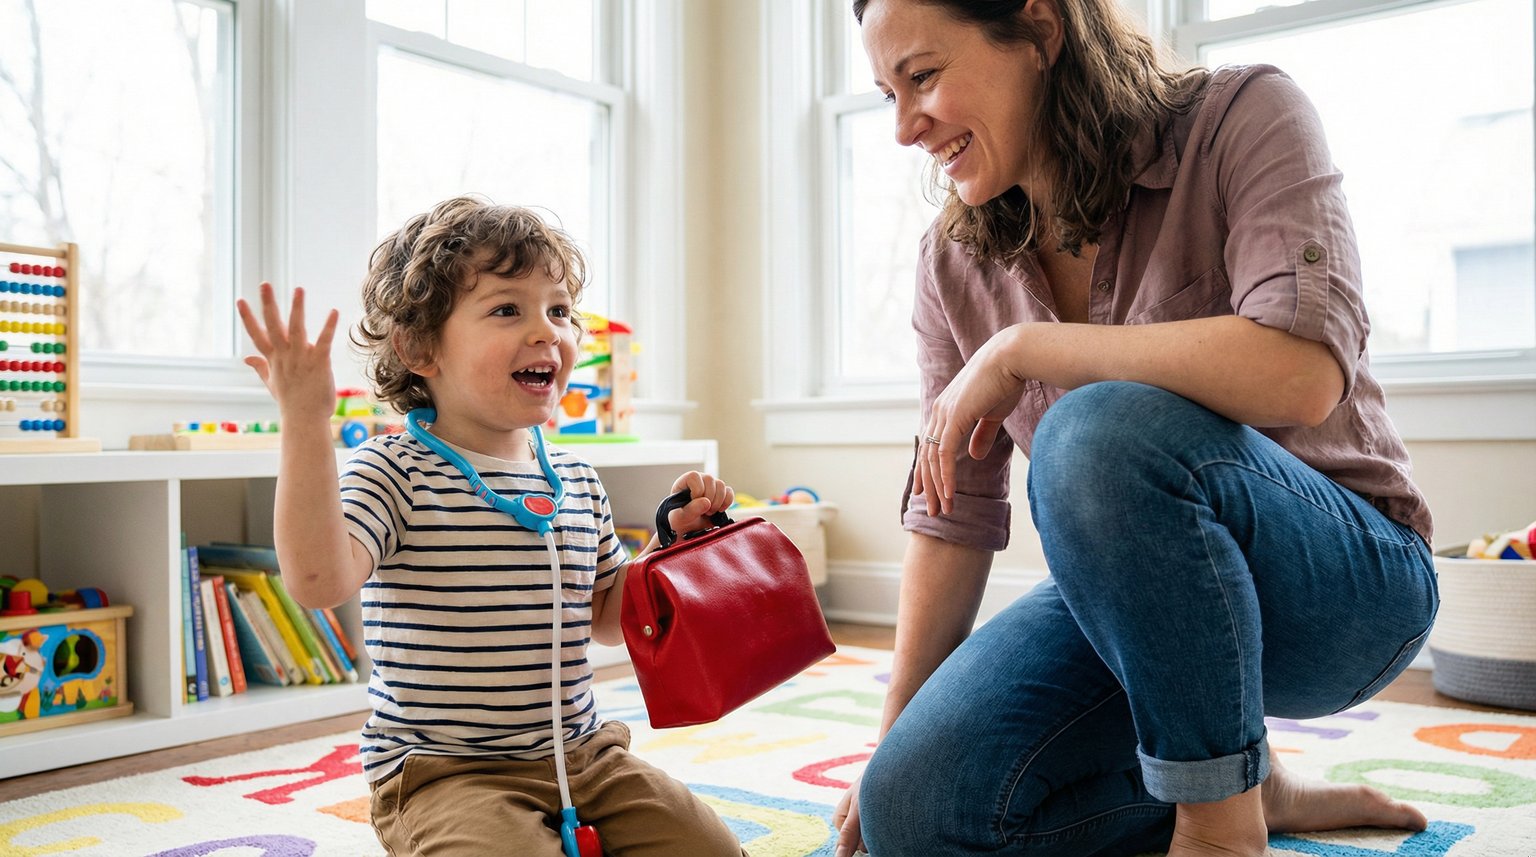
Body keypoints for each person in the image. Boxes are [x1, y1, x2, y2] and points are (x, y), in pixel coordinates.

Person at [831, 2, 1440, 856]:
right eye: (887, 92)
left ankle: (1221, 831)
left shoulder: (1244, 115)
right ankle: (1246, 779)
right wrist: (889, 743)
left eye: (923, 78)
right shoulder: (952, 259)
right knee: (917, 809)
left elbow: (1303, 375)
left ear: (1040, 31)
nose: (903, 127)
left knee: (1096, 430)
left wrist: (1027, 350)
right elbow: (951, 513)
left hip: (1346, 594)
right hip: (1146, 613)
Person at [237, 196, 747, 856]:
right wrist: (305, 420)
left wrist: (668, 544)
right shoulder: (394, 469)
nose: (548, 332)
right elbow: (314, 581)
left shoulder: (577, 480)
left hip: (586, 756)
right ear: (419, 347)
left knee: (713, 849)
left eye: (559, 310)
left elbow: (604, 617)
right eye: (508, 309)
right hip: (445, 773)